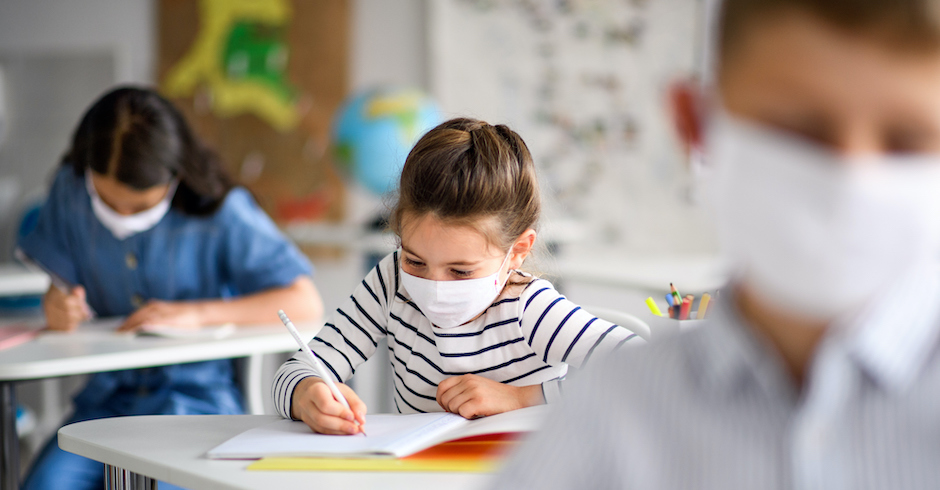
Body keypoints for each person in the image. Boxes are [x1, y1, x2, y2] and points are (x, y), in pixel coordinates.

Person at [491, 0, 940, 488]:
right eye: (800, 131)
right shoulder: (606, 416)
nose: (850, 181)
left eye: (908, 140)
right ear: (698, 124)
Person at [18, 87, 323, 490]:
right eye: (107, 203)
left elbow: (304, 301)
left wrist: (197, 314)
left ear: (175, 177)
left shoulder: (220, 208)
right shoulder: (70, 190)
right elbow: (60, 283)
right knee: (47, 483)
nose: (122, 218)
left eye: (140, 207)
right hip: (105, 404)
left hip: (196, 402)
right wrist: (57, 304)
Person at [272, 118, 643, 434]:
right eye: (415, 261)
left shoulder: (529, 308)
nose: (434, 287)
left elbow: (645, 372)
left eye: (461, 271)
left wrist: (520, 398)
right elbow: (298, 368)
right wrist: (307, 394)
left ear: (517, 251)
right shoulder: (391, 281)